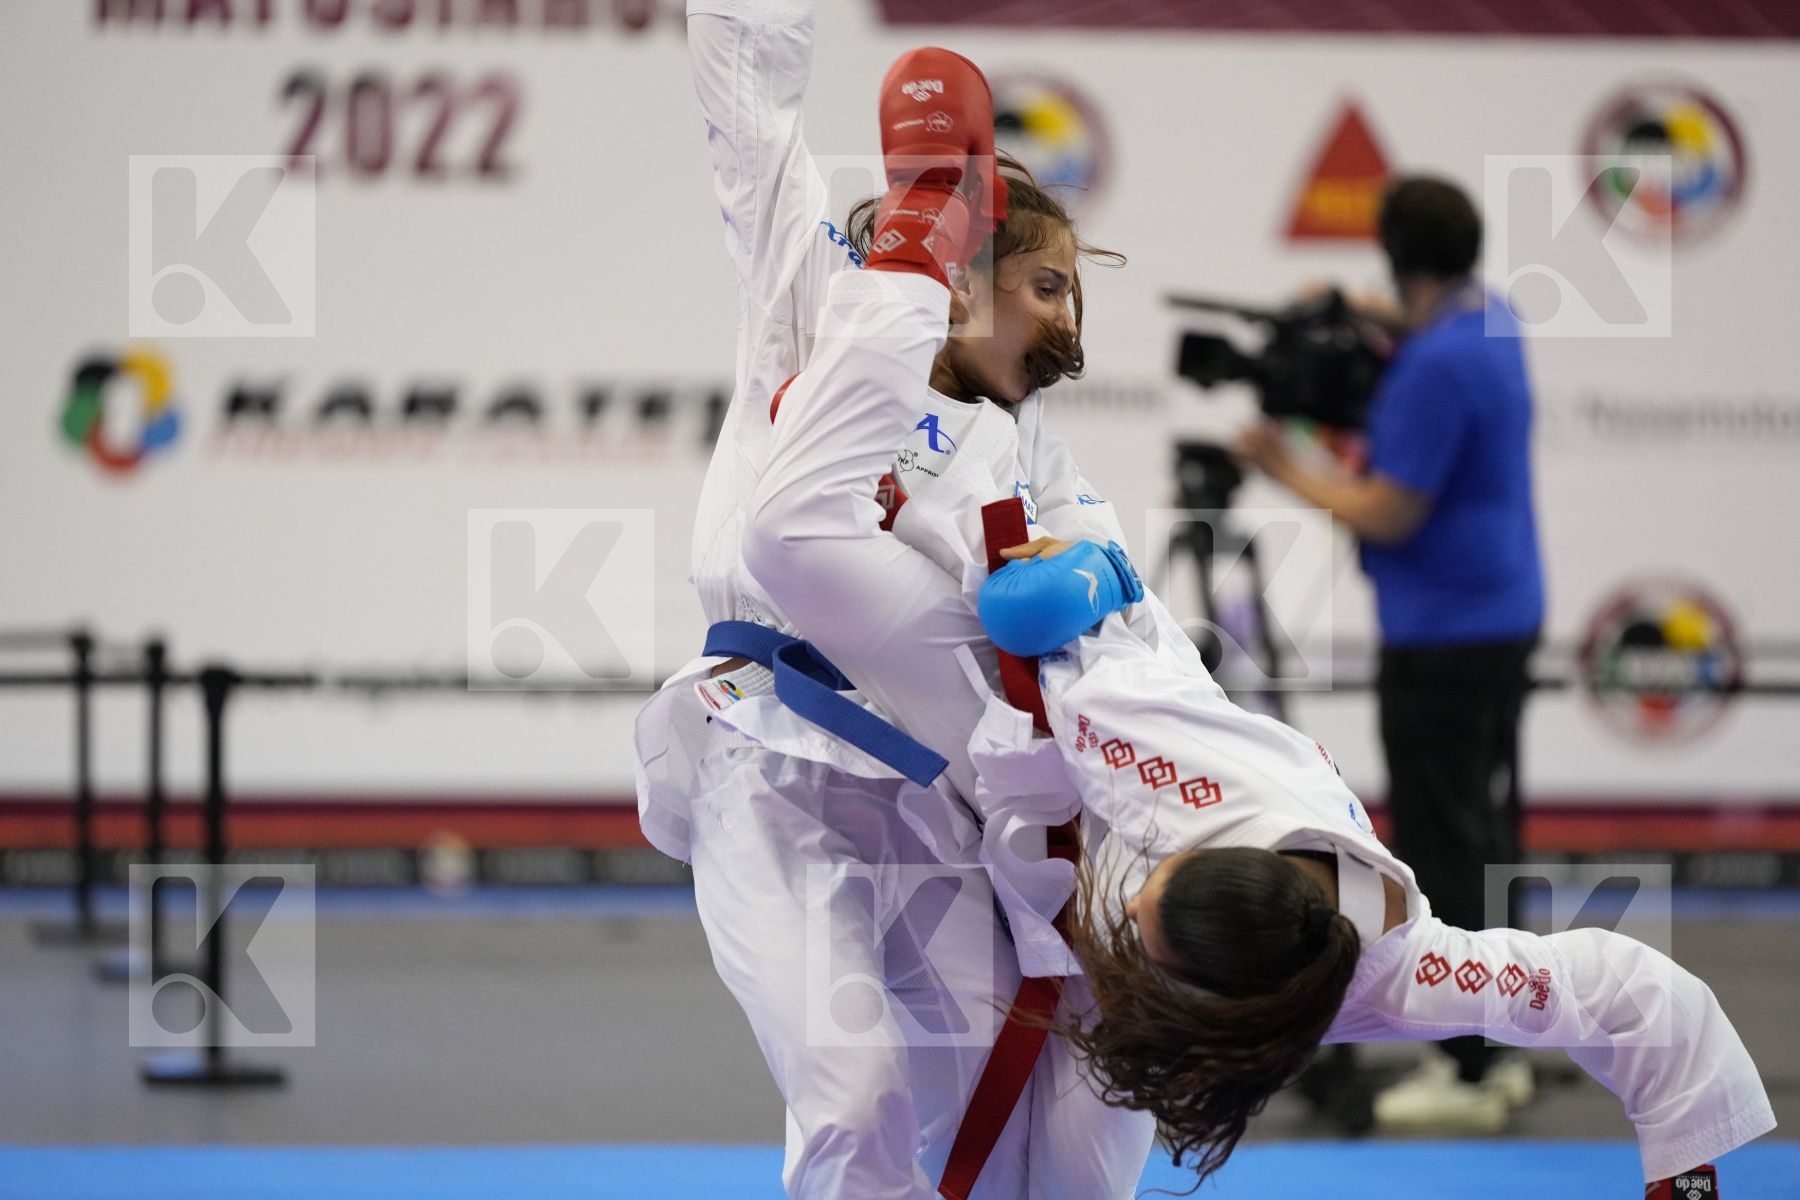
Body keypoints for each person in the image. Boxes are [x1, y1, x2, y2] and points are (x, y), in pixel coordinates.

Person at [739, 112, 1776, 1196]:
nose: (1130, 919)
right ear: (1187, 860)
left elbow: (1620, 995)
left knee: (1077, 1176)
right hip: (1093, 704)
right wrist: (1099, 575)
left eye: (1138, 933)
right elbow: (1056, 628)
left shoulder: (1354, 976)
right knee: (846, 552)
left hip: (1128, 968)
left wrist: (1679, 1164)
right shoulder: (1171, 774)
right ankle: (893, 267)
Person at [632, 7, 1153, 1196]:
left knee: (998, 1099)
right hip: (766, 765)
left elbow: (1112, 611)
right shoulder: (821, 303)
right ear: (961, 267)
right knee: (855, 1098)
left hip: (930, 801)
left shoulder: (1030, 453)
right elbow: (748, 113)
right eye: (1048, 286)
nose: (1070, 325)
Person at [1235, 174, 1545, 1133]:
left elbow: (1388, 510)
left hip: (1444, 637)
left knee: (1443, 845)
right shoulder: (1488, 324)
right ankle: (1509, 1035)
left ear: (1392, 249)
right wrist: (1350, 310)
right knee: (1483, 833)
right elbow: (1418, 319)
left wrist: (1281, 461)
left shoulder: (1432, 372)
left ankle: (1470, 1064)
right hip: (1502, 614)